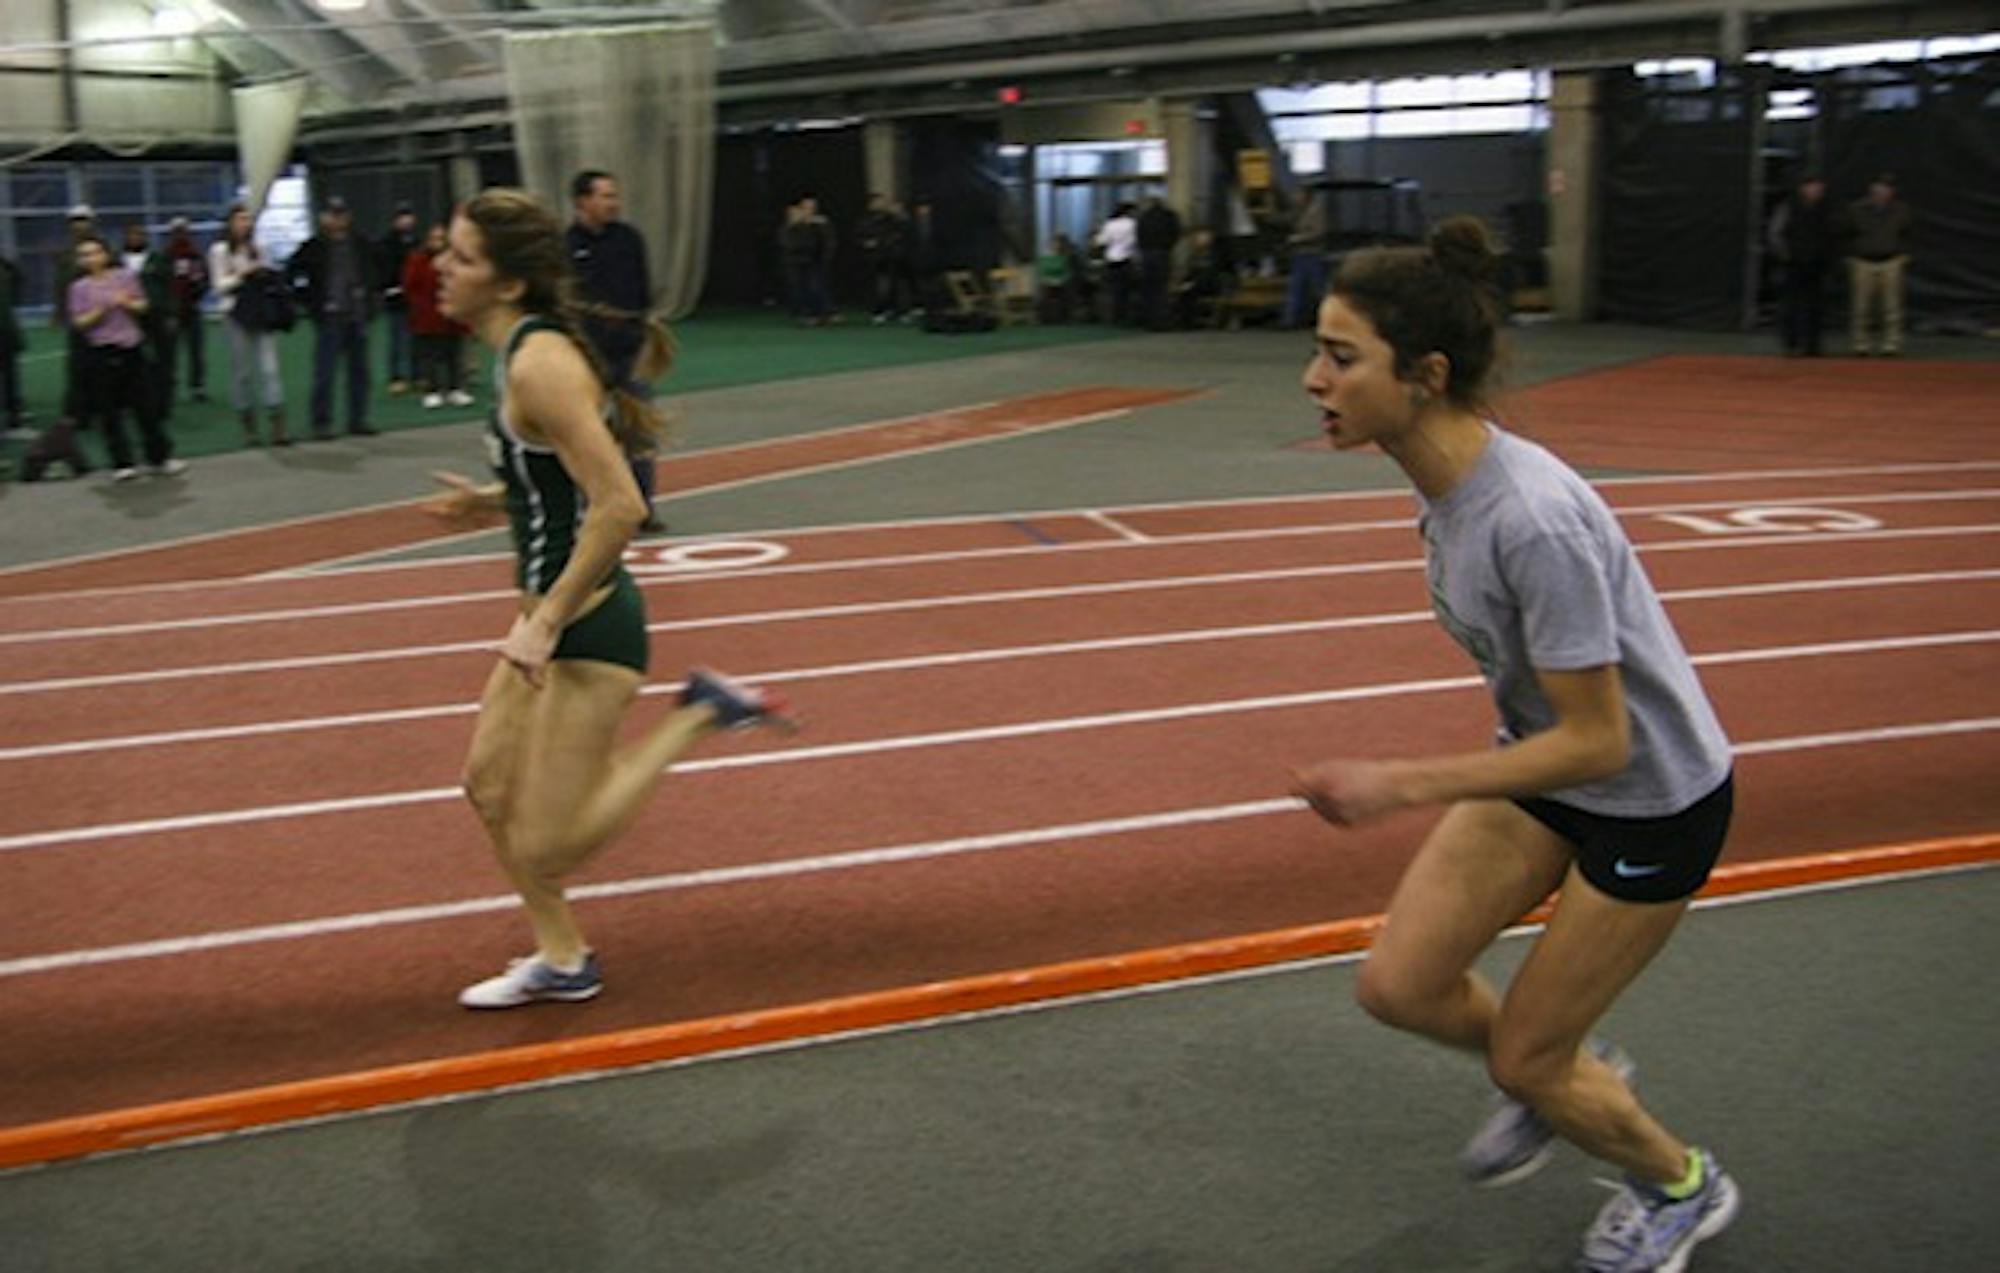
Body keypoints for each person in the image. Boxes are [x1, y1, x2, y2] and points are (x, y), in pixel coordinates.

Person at [1290, 218, 1740, 1272]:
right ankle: (1572, 1070)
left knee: (1526, 1056)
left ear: (1425, 374)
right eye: (1315, 349)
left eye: (1341, 357)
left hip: (1649, 802)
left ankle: (1678, 1186)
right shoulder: (1443, 482)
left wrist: (1399, 779)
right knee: (1397, 985)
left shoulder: (1526, 519)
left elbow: (1598, 740)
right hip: (1544, 764)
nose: (1313, 378)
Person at [423, 187, 791, 1009]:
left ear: (509, 284)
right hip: (543, 623)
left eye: (463, 257)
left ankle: (700, 711)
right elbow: (553, 473)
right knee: (486, 789)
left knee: (547, 843)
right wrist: (491, 500)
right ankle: (563, 955)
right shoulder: (517, 348)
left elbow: (620, 503)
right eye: (446, 249)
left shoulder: (538, 363)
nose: (442, 267)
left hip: (586, 630)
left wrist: (546, 621)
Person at [566, 169, 665, 534]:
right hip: (586, 358)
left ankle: (641, 507)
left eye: (614, 196)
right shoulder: (565, 246)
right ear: (582, 202)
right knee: (588, 437)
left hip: (629, 350)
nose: (613, 203)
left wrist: (641, 333)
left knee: (639, 432)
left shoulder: (629, 239)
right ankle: (593, 508)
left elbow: (642, 291)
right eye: (605, 196)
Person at [67, 235, 185, 481]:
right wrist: (99, 312)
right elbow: (79, 322)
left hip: (130, 348)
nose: (91, 258)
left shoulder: (124, 277)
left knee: (145, 407)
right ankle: (122, 463)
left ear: (105, 254)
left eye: (95, 252)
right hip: (101, 352)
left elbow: (143, 305)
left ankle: (159, 458)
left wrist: (127, 303)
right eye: (85, 255)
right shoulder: (79, 288)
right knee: (109, 410)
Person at [285, 194, 378, 439]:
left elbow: (375, 272)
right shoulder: (313, 247)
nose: (337, 220)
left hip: (356, 315)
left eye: (341, 214)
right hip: (329, 317)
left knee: (360, 373)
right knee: (324, 373)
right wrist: (307, 300)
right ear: (323, 217)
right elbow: (291, 272)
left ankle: (358, 419)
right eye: (332, 214)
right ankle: (321, 422)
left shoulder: (361, 243)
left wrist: (370, 300)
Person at [209, 203, 289, 447]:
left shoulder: (259, 247)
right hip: (235, 314)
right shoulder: (220, 250)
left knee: (270, 369)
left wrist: (263, 271)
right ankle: (249, 428)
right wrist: (242, 274)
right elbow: (218, 286)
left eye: (247, 219)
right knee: (242, 373)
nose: (244, 224)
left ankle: (278, 425)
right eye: (239, 219)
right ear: (230, 223)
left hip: (260, 312)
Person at [1842, 173, 1913, 357]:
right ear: (1871, 190)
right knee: (1861, 306)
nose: (1881, 192)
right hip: (1863, 261)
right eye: (1878, 188)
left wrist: (1904, 255)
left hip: (1891, 261)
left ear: (1892, 191)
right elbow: (1845, 233)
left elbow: (1908, 233)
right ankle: (1860, 344)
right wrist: (1850, 256)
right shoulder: (1856, 209)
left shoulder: (1901, 210)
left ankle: (1891, 344)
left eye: (1885, 188)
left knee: (1891, 306)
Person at [403, 221, 472, 410]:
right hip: (428, 316)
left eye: (442, 238)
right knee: (430, 356)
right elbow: (410, 286)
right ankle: (431, 391)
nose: (438, 242)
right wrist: (420, 306)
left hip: (453, 315)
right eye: (434, 238)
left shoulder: (457, 258)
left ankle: (455, 388)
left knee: (454, 353)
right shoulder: (418, 259)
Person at [1766, 175, 1835, 357]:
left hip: (1818, 265)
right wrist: (1786, 255)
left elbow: (1833, 235)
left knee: (1816, 307)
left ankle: (1813, 345)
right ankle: (1791, 344)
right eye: (1812, 187)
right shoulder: (1789, 207)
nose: (1816, 191)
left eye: (1819, 188)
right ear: (1803, 188)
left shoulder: (1826, 210)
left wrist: (1826, 257)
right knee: (1790, 306)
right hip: (1793, 265)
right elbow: (1775, 233)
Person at [120, 222, 176, 423]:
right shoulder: (118, 262)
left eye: (139, 234)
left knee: (163, 362)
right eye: (131, 234)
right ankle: (130, 403)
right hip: (128, 318)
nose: (135, 238)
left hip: (157, 316)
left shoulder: (158, 260)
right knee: (131, 362)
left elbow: (170, 287)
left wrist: (171, 314)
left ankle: (162, 405)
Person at [376, 202, 422, 395]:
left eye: (409, 215)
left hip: (416, 298)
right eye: (402, 216)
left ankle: (417, 375)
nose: (406, 220)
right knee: (397, 339)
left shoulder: (417, 242)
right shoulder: (387, 242)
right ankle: (396, 377)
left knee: (416, 338)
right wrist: (389, 287)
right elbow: (384, 269)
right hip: (396, 298)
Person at [163, 216, 209, 403]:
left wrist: (196, 296)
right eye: (177, 231)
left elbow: (205, 279)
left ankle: (197, 387)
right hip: (172, 312)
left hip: (192, 310)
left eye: (183, 230)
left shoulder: (195, 255)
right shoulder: (164, 256)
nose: (180, 234)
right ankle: (169, 387)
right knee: (170, 353)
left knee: (196, 350)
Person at [856, 193, 912, 324]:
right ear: (870, 204)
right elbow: (859, 238)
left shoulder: (892, 219)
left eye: (882, 202)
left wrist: (900, 215)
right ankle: (879, 311)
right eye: (877, 202)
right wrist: (867, 243)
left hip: (893, 257)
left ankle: (901, 311)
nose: (881, 204)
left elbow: (903, 231)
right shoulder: (864, 221)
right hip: (875, 259)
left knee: (898, 285)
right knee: (880, 287)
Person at [1135, 195, 1183, 330]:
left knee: (1148, 289)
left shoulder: (1143, 217)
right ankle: (1162, 321)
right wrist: (1168, 246)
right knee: (1161, 288)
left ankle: (1149, 321)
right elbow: (1176, 233)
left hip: (1147, 254)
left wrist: (1144, 249)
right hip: (1162, 253)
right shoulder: (1169, 216)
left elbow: (1139, 236)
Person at [1094, 201, 1138, 325]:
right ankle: (1124, 316)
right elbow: (1135, 240)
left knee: (1115, 290)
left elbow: (1100, 241)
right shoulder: (1132, 224)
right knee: (1125, 290)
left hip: (1111, 260)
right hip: (1126, 259)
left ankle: (1115, 316)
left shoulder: (1110, 224)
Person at [0, 252, 23, 431]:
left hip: (6, 331)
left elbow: (19, 279)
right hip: (7, 329)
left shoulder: (5, 266)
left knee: (10, 376)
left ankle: (14, 416)